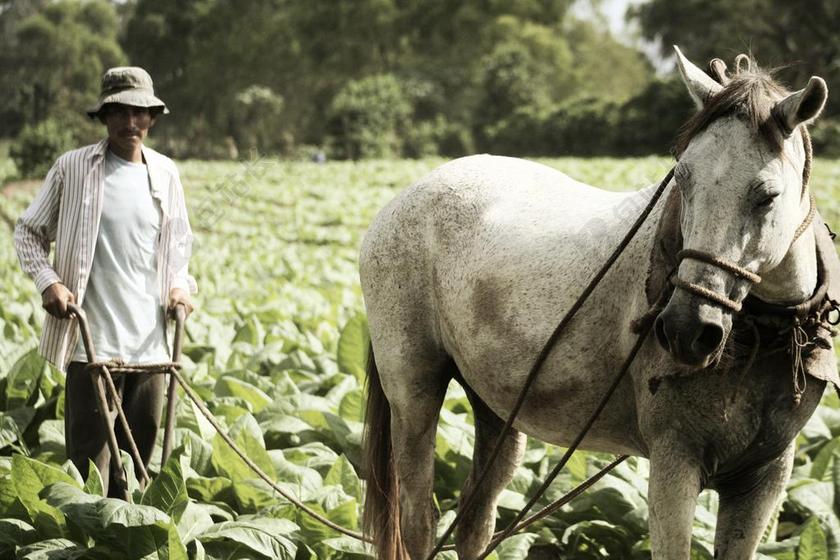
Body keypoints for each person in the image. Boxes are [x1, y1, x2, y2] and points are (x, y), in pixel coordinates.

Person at [13, 67, 197, 497]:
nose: (130, 124)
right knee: (90, 467)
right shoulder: (73, 168)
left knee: (140, 465)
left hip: (151, 347)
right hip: (90, 346)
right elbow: (28, 232)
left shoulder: (166, 174)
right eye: (119, 113)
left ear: (152, 117)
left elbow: (178, 248)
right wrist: (48, 283)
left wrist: (179, 287)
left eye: (139, 113)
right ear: (104, 116)